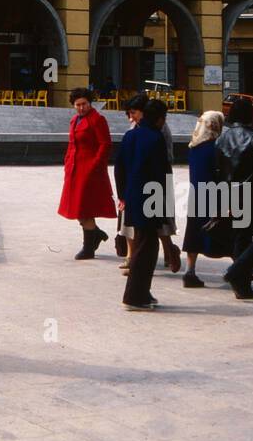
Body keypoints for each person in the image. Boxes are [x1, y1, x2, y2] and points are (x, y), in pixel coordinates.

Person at [115, 98, 173, 310]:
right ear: (159, 119)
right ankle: (134, 297)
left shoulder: (130, 135)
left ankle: (142, 292)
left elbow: (119, 167)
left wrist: (123, 196)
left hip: (132, 197)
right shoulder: (156, 138)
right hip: (152, 198)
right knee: (146, 248)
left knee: (142, 244)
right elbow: (161, 173)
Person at [216, 97, 253, 300]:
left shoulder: (222, 138)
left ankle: (241, 279)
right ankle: (239, 275)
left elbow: (217, 170)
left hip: (231, 195)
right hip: (250, 195)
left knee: (241, 238)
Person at [58, 87, 116, 259]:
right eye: (77, 105)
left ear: (90, 103)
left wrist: (96, 165)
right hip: (75, 168)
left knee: (85, 209)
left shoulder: (97, 119)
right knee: (76, 207)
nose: (81, 107)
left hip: (89, 170)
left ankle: (89, 247)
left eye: (84, 104)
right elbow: (71, 144)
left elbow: (105, 144)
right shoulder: (74, 120)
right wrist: (67, 163)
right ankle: (95, 235)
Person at [181, 110, 228, 287]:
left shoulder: (193, 146)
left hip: (196, 195)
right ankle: (237, 269)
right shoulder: (215, 147)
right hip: (214, 194)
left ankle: (189, 271)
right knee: (228, 231)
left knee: (193, 232)